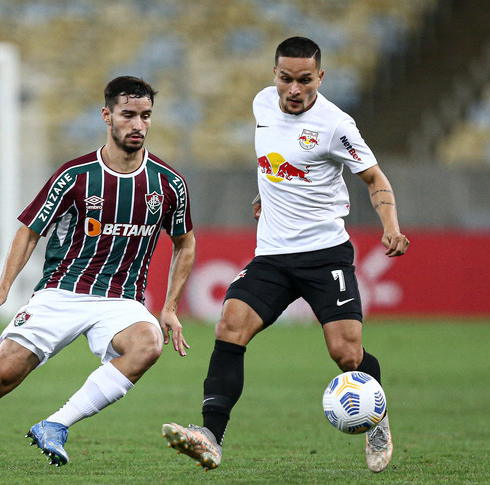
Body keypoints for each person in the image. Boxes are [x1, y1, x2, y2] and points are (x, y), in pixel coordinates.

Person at [0, 76, 196, 472]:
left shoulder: (168, 183)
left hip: (121, 300)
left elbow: (185, 243)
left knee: (148, 344)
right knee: (0, 377)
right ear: (107, 116)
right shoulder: (75, 176)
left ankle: (56, 424)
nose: (138, 125)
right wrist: (4, 286)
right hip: (62, 292)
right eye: (128, 115)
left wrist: (169, 307)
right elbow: (30, 231)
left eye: (145, 116)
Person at [162, 36, 408, 474]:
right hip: (273, 254)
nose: (294, 90)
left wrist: (390, 226)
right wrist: (268, 192)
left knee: (347, 355)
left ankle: (377, 419)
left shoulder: (336, 125)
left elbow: (374, 179)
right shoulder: (262, 104)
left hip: (325, 254)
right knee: (229, 326)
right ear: (274, 74)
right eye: (286, 79)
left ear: (320, 77)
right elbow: (278, 159)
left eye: (305, 80)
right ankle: (211, 438)